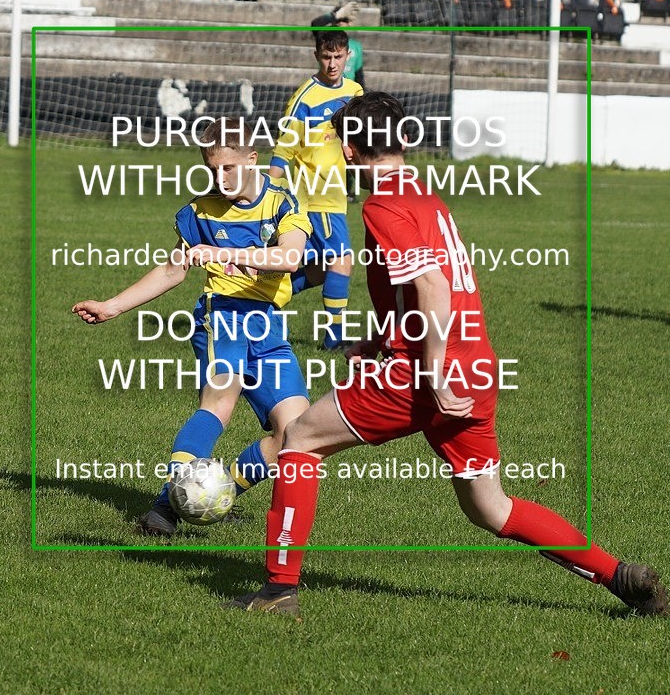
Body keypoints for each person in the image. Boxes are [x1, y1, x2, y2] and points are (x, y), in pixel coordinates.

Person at [225, 92, 668, 618]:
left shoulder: (382, 204)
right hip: (475, 368)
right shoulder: (424, 196)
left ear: (348, 150)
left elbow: (433, 286)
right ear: (401, 141)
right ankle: (621, 577)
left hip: (425, 375)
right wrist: (382, 338)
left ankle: (278, 591)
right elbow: (427, 289)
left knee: (300, 438)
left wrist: (432, 373)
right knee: (490, 507)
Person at [72, 119, 311, 537]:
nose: (220, 179)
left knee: (296, 432)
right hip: (222, 317)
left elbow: (290, 258)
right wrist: (111, 307)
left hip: (268, 325)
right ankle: (165, 507)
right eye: (212, 169)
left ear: (252, 160)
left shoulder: (282, 204)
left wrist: (223, 253)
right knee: (220, 404)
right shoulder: (200, 211)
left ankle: (217, 491)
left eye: (228, 168)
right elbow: (172, 271)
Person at [268, 30, 363, 351]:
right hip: (314, 194)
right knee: (341, 260)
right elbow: (284, 149)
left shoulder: (355, 92)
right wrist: (268, 193)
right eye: (326, 57)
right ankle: (334, 339)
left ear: (348, 55)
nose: (332, 63)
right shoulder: (304, 98)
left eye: (338, 56)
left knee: (321, 270)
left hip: (335, 193)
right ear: (316, 56)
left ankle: (265, 299)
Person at [311, 2, 365, 204]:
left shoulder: (356, 47)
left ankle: (350, 190)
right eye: (340, 20)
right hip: (327, 97)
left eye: (346, 20)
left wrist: (361, 100)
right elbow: (315, 25)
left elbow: (360, 74)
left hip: (349, 99)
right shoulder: (325, 40)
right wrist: (334, 15)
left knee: (351, 144)